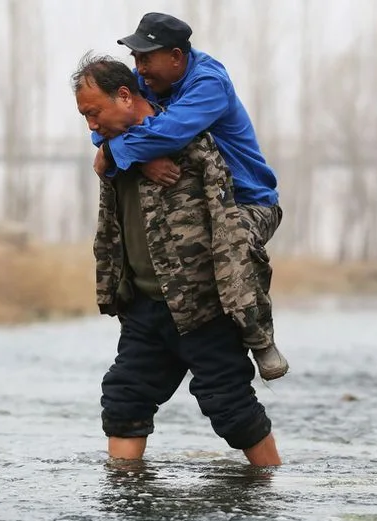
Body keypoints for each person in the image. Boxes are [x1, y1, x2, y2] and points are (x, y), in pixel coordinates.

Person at [72, 53, 282, 466]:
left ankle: (272, 494)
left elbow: (229, 228)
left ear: (126, 96)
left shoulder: (193, 144)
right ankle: (126, 501)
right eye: (85, 116)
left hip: (201, 308)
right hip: (144, 309)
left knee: (232, 409)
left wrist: (245, 311)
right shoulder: (114, 152)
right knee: (123, 401)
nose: (91, 125)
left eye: (94, 113)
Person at [90, 12, 289, 381]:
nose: (139, 68)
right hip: (199, 204)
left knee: (235, 242)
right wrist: (137, 158)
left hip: (247, 200)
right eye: (135, 58)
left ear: (177, 56)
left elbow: (169, 133)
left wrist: (123, 153)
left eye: (146, 58)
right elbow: (107, 123)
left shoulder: (208, 83)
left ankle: (259, 337)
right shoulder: (144, 82)